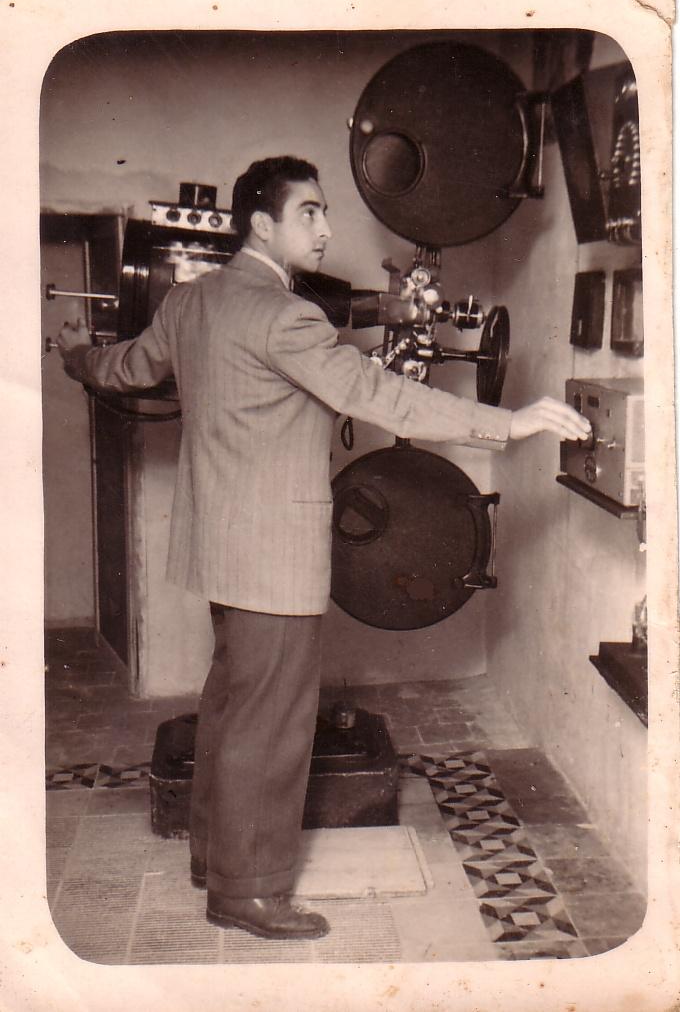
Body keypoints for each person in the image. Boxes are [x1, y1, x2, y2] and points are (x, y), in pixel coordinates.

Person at [57, 156, 591, 942]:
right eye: (310, 213)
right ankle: (250, 892)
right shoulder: (287, 317)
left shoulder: (191, 302)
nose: (328, 228)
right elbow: (374, 393)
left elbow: (127, 367)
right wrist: (507, 424)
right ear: (261, 225)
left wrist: (76, 356)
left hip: (220, 550)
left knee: (234, 708)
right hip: (274, 559)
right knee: (271, 724)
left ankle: (216, 857)